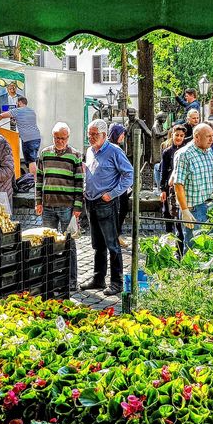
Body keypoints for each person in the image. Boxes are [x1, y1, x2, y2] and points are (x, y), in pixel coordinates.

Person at [80, 119, 134, 296]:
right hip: (91, 201)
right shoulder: (89, 151)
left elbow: (129, 175)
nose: (91, 137)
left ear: (104, 135)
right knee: (97, 243)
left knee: (112, 243)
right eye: (89, 134)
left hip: (107, 202)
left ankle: (117, 282)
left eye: (94, 134)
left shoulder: (114, 151)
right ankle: (98, 278)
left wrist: (112, 193)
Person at [35, 122, 84, 284]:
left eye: (63, 138)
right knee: (48, 243)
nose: (59, 141)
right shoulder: (44, 154)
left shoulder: (75, 155)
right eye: (57, 138)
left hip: (67, 206)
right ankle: (51, 278)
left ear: (68, 138)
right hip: (48, 205)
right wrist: (38, 201)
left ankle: (71, 280)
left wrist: (77, 206)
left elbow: (79, 183)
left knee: (68, 243)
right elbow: (39, 179)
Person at [174, 124, 213, 247]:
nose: (211, 139)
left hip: (212, 205)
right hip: (194, 209)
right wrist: (184, 210)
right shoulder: (184, 154)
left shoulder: (209, 150)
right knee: (194, 248)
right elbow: (178, 184)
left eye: (212, 136)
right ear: (196, 137)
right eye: (208, 136)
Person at [0, 96, 42, 176]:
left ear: (20, 102)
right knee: (32, 159)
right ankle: (33, 179)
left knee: (31, 161)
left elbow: (1, 116)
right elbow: (27, 125)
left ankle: (33, 182)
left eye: (17, 103)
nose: (16, 105)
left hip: (28, 139)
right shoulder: (32, 111)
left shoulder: (17, 111)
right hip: (36, 138)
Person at [160, 125, 186, 248]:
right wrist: (162, 189)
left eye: (181, 136)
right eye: (177, 135)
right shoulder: (167, 151)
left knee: (180, 216)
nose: (179, 137)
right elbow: (163, 171)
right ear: (172, 135)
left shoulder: (186, 150)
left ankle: (179, 243)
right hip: (170, 187)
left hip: (182, 186)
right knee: (169, 212)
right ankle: (169, 237)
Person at [108, 123, 132, 247]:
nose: (123, 137)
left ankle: (117, 234)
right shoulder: (113, 148)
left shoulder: (117, 147)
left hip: (121, 186)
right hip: (116, 186)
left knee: (123, 209)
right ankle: (115, 235)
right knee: (119, 210)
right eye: (121, 134)